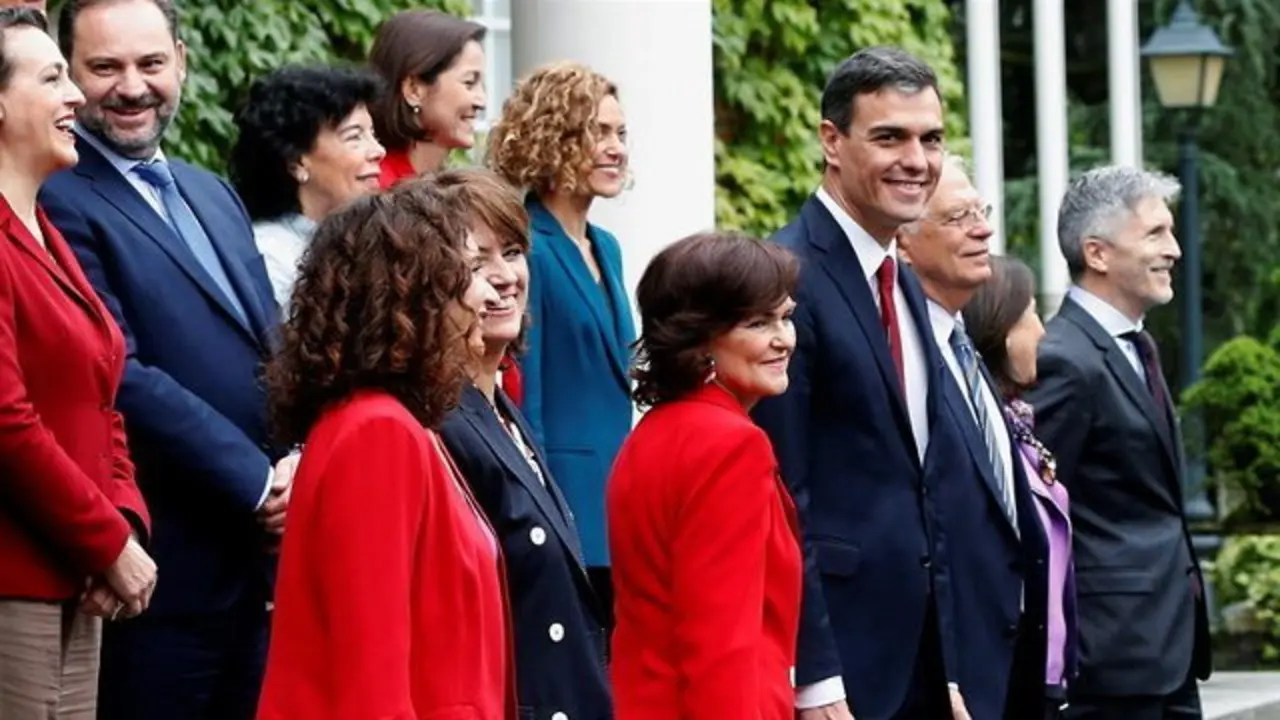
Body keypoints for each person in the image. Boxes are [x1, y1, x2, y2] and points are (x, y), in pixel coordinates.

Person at [41, 1, 296, 717]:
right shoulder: (54, 197)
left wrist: (299, 458)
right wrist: (257, 482)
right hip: (158, 574)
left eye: (150, 63)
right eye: (105, 67)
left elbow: (272, 342)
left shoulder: (211, 192)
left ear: (181, 61)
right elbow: (115, 370)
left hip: (258, 570)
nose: (132, 87)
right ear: (68, 74)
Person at [751, 46, 964, 720]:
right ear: (831, 141)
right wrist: (814, 677)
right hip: (841, 671)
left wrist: (950, 666)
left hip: (921, 663)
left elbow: (921, 484)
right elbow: (783, 498)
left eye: (931, 139)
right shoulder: (786, 278)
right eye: (890, 137)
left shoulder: (904, 282)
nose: (917, 160)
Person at [258, 180, 513, 720]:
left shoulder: (396, 423)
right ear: (416, 294)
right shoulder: (377, 431)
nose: (487, 294)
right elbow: (371, 678)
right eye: (468, 271)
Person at [0, 8, 154, 718]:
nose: (74, 96)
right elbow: (7, 421)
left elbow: (102, 397)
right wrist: (106, 540)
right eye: (51, 78)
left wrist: (124, 520)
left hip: (76, 575)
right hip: (16, 579)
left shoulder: (46, 230)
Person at [1025, 165, 1211, 719]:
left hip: (1168, 652)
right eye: (1155, 233)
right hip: (1108, 661)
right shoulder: (1063, 359)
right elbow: (1036, 513)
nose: (1174, 250)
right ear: (1098, 253)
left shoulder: (1136, 347)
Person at [437, 168, 611, 720]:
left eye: (512, 253)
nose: (505, 277)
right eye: (475, 262)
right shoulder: (439, 421)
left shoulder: (498, 405)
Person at [608, 232, 802, 719]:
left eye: (786, 317)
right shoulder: (731, 445)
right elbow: (721, 644)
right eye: (758, 323)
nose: (784, 339)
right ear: (699, 339)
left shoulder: (654, 432)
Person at [896, 157, 1050, 719]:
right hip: (949, 676)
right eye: (959, 217)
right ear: (904, 244)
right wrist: (946, 669)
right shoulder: (902, 359)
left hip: (1009, 666)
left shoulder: (963, 350)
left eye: (981, 212)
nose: (983, 229)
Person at [488, 61, 635, 608]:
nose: (616, 148)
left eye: (621, 133)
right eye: (599, 132)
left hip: (618, 506)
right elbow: (526, 397)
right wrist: (542, 512)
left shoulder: (608, 247)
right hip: (565, 507)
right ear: (554, 136)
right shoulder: (527, 248)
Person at [963, 255, 1077, 720]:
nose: (1042, 332)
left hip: (1045, 671)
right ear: (1002, 329)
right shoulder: (980, 430)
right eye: (1030, 314)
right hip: (1003, 671)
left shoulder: (1019, 424)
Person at [229, 64, 385, 309]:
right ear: (296, 162)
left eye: (373, 135)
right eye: (354, 137)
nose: (378, 151)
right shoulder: (269, 260)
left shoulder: (361, 240)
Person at [369, 9, 485, 185]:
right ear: (414, 90)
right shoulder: (377, 190)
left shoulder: (445, 187)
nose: (482, 101)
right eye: (469, 82)